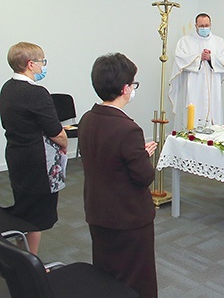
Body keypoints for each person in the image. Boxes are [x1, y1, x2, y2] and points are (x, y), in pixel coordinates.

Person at [78, 53, 158, 298]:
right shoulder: (128, 128)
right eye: (133, 84)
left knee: (105, 274)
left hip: (98, 211)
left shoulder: (87, 119)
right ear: (125, 88)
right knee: (136, 279)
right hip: (128, 218)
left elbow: (105, 158)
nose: (133, 89)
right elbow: (144, 177)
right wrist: (142, 156)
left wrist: (134, 154)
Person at [0, 42, 68, 255]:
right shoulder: (36, 93)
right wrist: (65, 144)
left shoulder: (7, 87)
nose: (43, 66)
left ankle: (23, 254)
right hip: (38, 162)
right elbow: (55, 131)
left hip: (17, 156)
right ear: (30, 64)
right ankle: (31, 264)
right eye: (42, 62)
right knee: (37, 216)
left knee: (24, 208)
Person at [169, 13, 224, 130]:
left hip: (213, 87)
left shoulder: (219, 42)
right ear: (196, 26)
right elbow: (179, 59)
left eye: (206, 25)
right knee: (192, 114)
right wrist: (199, 58)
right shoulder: (185, 41)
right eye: (201, 26)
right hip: (193, 84)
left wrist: (211, 58)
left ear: (211, 24)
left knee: (213, 118)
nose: (204, 28)